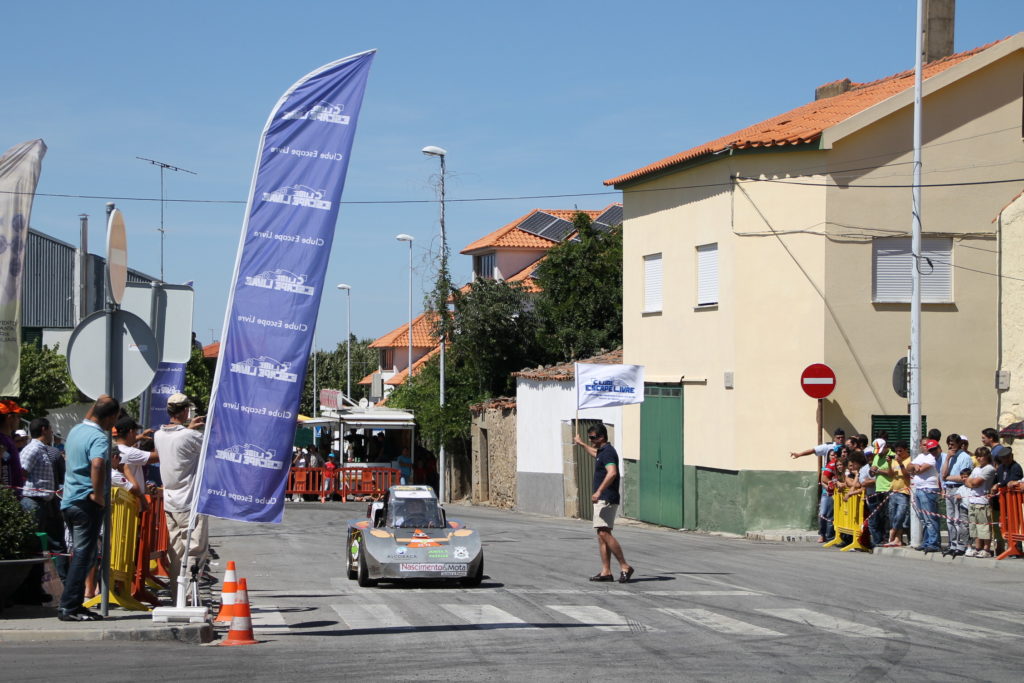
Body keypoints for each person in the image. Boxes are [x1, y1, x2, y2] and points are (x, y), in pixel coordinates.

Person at [59, 394, 120, 622]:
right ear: (111, 417)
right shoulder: (99, 437)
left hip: (70, 500)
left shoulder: (75, 431)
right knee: (84, 554)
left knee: (86, 553)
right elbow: (97, 463)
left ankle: (74, 604)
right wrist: (97, 494)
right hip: (87, 502)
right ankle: (69, 606)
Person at [153, 393, 208, 588]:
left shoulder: (158, 435)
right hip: (189, 501)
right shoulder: (190, 436)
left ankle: (177, 595)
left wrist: (189, 428)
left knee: (175, 551)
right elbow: (211, 449)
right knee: (193, 550)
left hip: (170, 501)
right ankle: (189, 595)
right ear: (185, 411)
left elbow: (177, 441)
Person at [573, 424, 633, 583]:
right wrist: (582, 444)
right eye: (589, 438)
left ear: (601, 437)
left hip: (606, 498)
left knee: (603, 532)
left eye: (592, 438)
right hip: (605, 498)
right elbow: (595, 453)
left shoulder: (608, 453)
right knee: (601, 535)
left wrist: (599, 491)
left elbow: (612, 472)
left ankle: (624, 565)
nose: (591, 440)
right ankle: (606, 571)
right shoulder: (603, 452)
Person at [19, 417, 68, 581]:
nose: (52, 432)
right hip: (33, 503)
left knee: (44, 545)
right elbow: (22, 473)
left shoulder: (43, 450)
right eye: (50, 429)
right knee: (33, 544)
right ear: (43, 429)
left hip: (44, 504)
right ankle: (30, 585)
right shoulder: (32, 449)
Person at [791, 427, 845, 544]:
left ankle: (833, 536)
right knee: (824, 511)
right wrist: (799, 454)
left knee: (836, 513)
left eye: (842, 437)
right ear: (834, 438)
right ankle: (822, 534)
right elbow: (813, 450)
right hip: (828, 483)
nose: (840, 440)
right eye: (838, 437)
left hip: (842, 485)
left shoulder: (846, 449)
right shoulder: (828, 447)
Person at [114, 416, 158, 512]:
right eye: (135, 432)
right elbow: (158, 457)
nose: (136, 435)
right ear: (130, 432)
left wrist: (139, 437)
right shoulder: (130, 452)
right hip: (130, 506)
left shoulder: (114, 449)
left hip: (118, 503)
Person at [938, 434, 972, 556]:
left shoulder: (965, 457)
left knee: (959, 519)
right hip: (949, 489)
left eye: (953, 444)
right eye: (949, 444)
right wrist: (947, 459)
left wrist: (948, 477)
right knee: (950, 520)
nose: (950, 446)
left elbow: (964, 477)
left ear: (959, 444)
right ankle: (952, 544)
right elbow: (942, 474)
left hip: (959, 489)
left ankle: (961, 545)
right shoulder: (949, 457)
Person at [906, 438, 942, 553]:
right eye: (924, 445)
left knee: (930, 518)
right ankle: (927, 541)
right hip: (919, 488)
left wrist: (915, 468)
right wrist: (913, 467)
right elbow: (908, 468)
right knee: (923, 518)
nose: (926, 447)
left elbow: (920, 470)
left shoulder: (932, 457)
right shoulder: (920, 456)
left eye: (928, 445)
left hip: (929, 489)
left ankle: (934, 543)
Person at [964, 447, 997, 558]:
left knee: (984, 527)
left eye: (981, 456)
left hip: (982, 502)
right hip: (972, 500)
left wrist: (972, 482)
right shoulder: (976, 469)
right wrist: (971, 482)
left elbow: (976, 482)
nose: (978, 458)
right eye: (977, 456)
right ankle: (977, 548)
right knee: (974, 527)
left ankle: (986, 549)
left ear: (987, 456)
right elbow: (967, 482)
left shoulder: (989, 468)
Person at [883, 442, 912, 547]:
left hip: (904, 492)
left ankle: (893, 531)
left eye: (900, 451)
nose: (898, 453)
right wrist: (890, 464)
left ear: (906, 450)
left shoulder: (910, 460)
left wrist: (901, 464)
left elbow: (908, 476)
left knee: (901, 515)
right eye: (897, 451)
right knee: (893, 516)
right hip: (894, 490)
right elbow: (890, 475)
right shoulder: (894, 460)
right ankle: (897, 539)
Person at [0, 399, 27, 499]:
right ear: (9, 417)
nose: (19, 420)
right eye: (18, 416)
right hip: (8, 501)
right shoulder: (2, 439)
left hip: (14, 497)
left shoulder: (8, 439)